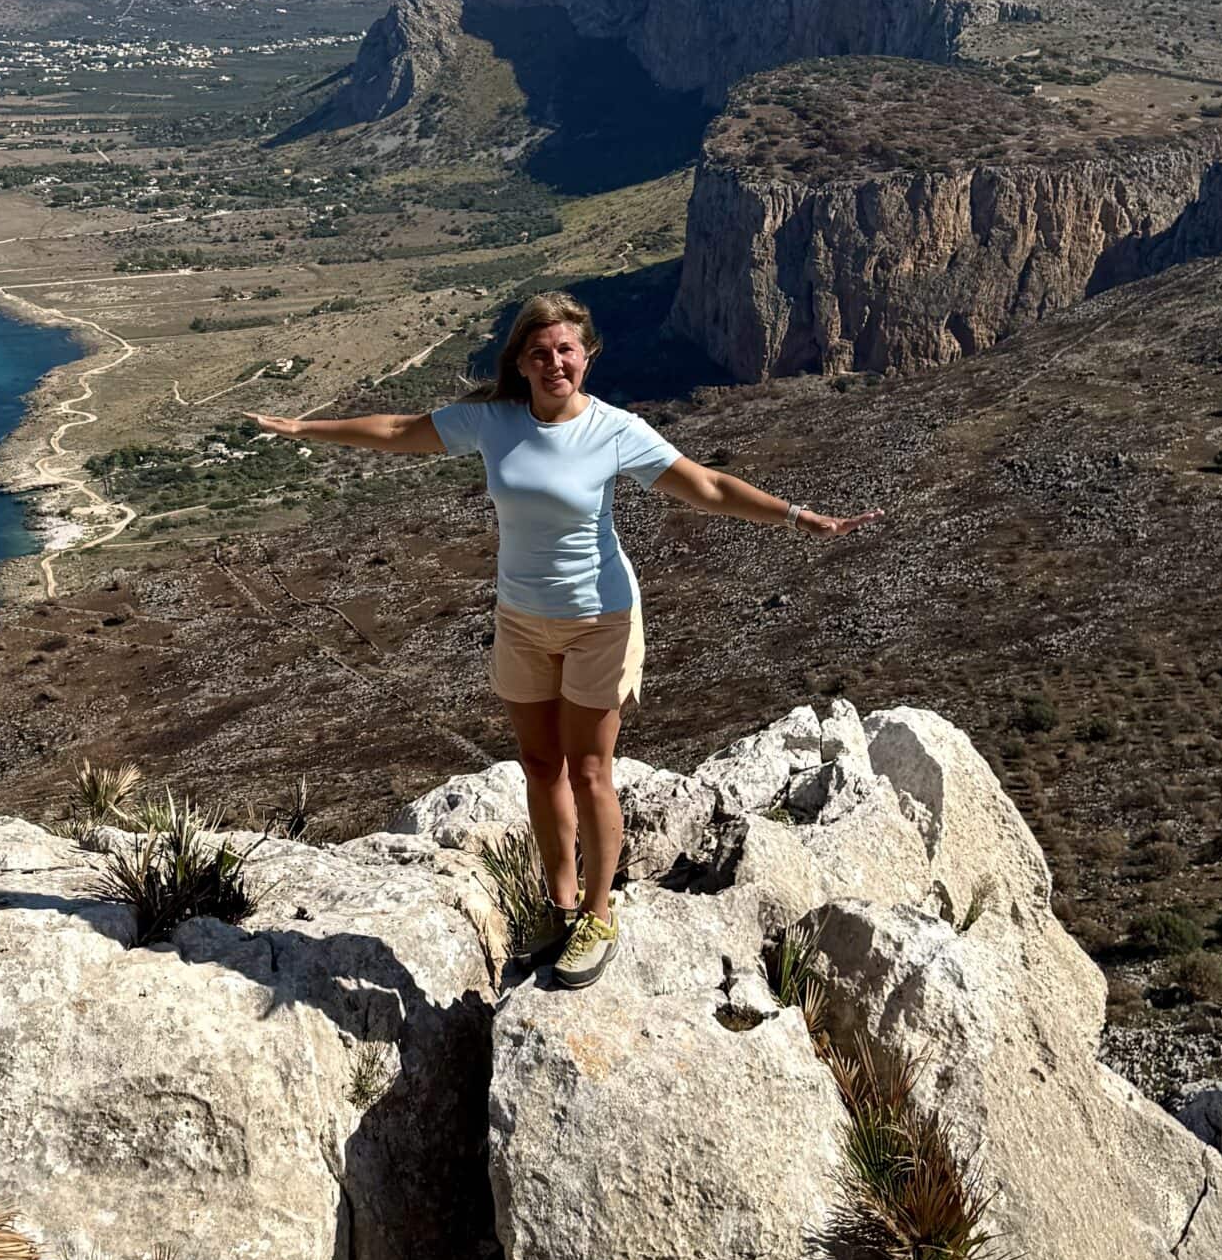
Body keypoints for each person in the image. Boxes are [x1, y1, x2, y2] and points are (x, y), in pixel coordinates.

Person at [255, 290, 881, 991]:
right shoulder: (492, 423)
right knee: (536, 764)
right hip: (520, 618)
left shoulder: (614, 430)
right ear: (519, 362)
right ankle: (556, 908)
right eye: (540, 351)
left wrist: (797, 516)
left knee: (588, 771)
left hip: (600, 620)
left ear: (586, 357)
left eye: (566, 350)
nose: (554, 361)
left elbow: (703, 486)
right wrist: (311, 430)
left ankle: (597, 913)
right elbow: (401, 431)